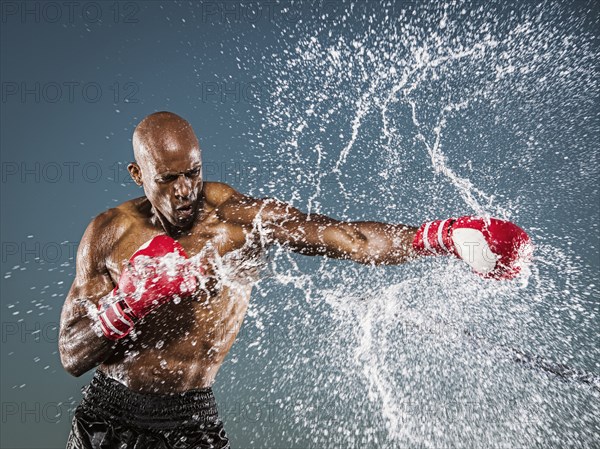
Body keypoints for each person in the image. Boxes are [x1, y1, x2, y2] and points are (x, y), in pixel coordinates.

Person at [59, 111, 531, 449]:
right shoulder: (109, 232)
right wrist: (127, 306)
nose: (184, 191)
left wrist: (439, 236)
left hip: (189, 417)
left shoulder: (237, 220)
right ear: (137, 173)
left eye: (194, 174)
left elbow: (349, 238)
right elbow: (71, 353)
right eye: (167, 180)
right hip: (109, 411)